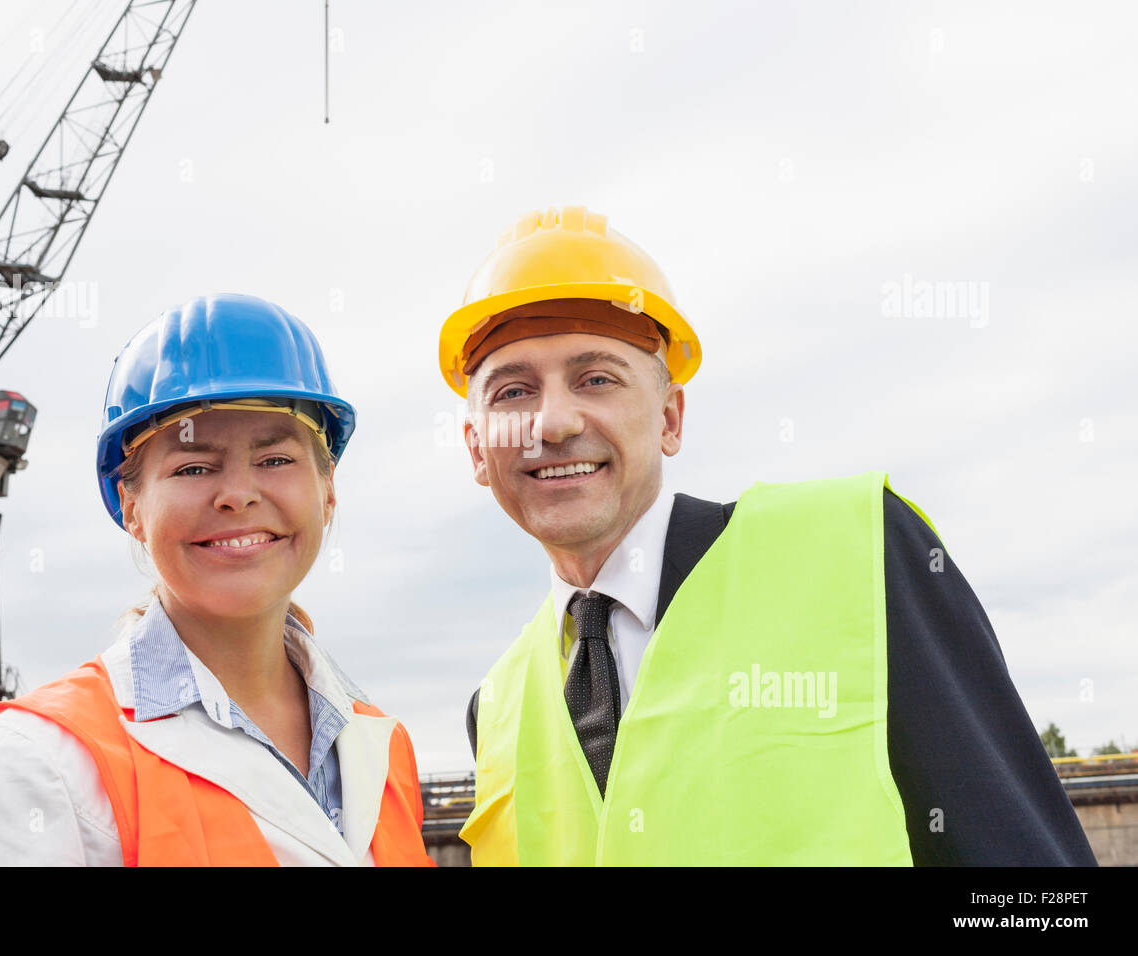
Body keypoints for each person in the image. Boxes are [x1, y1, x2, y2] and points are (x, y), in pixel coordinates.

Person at [443, 206, 1097, 866]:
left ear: (670, 417)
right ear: (476, 450)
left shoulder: (858, 554)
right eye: (513, 392)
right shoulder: (495, 711)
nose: (552, 422)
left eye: (597, 379)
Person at [0, 293, 434, 866]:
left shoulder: (382, 748)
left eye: (276, 460)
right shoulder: (42, 761)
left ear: (328, 491)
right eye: (193, 467)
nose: (238, 494)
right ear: (132, 507)